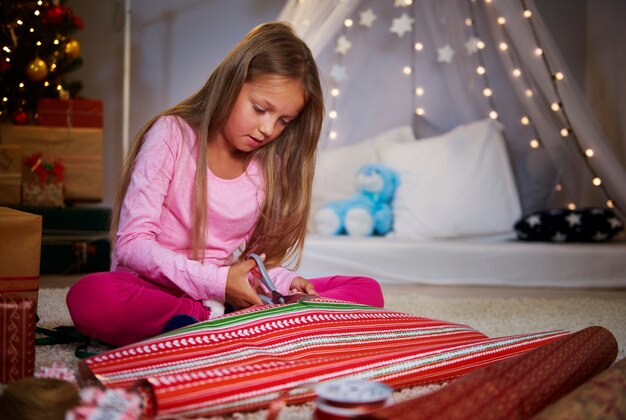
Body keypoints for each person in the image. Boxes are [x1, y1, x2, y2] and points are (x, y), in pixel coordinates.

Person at [66, 22, 384, 347]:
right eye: (260, 109)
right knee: (90, 297)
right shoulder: (171, 135)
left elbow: (255, 265)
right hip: (158, 288)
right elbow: (131, 245)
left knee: (366, 289)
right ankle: (222, 321)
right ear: (232, 82)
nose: (268, 129)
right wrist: (218, 283)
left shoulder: (268, 166)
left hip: (228, 294)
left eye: (283, 121)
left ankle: (232, 322)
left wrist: (288, 284)